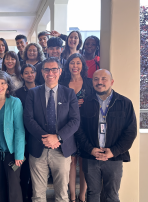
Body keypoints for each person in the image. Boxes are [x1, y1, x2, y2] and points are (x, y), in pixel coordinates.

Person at [23, 57, 80, 202]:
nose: (50, 73)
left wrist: (57, 138)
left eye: (54, 69)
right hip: (37, 149)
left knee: (62, 195)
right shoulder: (33, 93)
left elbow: (75, 121)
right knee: (38, 195)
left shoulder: (69, 93)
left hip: (62, 149)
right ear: (42, 72)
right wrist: (47, 139)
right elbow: (28, 120)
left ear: (60, 71)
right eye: (47, 69)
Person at [75, 69, 137, 202]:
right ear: (92, 82)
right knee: (92, 194)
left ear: (112, 82)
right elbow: (78, 130)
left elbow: (131, 132)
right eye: (96, 79)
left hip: (114, 157)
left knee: (112, 195)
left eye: (104, 79)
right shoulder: (84, 103)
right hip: (91, 156)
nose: (99, 82)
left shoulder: (125, 103)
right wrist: (90, 149)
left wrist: (114, 151)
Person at [0, 70, 25, 202]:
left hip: (12, 153)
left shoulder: (15, 102)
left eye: (3, 83)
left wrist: (19, 154)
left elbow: (19, 129)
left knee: (13, 187)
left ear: (8, 85)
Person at [60, 53, 94, 202]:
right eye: (72, 63)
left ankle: (82, 195)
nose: (75, 66)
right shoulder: (62, 82)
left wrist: (84, 105)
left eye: (78, 63)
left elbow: (94, 103)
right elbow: (58, 104)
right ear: (68, 65)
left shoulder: (89, 82)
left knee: (83, 160)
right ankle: (72, 196)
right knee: (71, 161)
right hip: (68, 125)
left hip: (86, 124)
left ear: (82, 65)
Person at [14, 64, 37, 202]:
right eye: (26, 73)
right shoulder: (17, 93)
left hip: (38, 136)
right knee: (23, 172)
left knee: (36, 172)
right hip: (22, 135)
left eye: (32, 72)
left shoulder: (42, 89)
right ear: (21, 75)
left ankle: (32, 196)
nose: (29, 75)